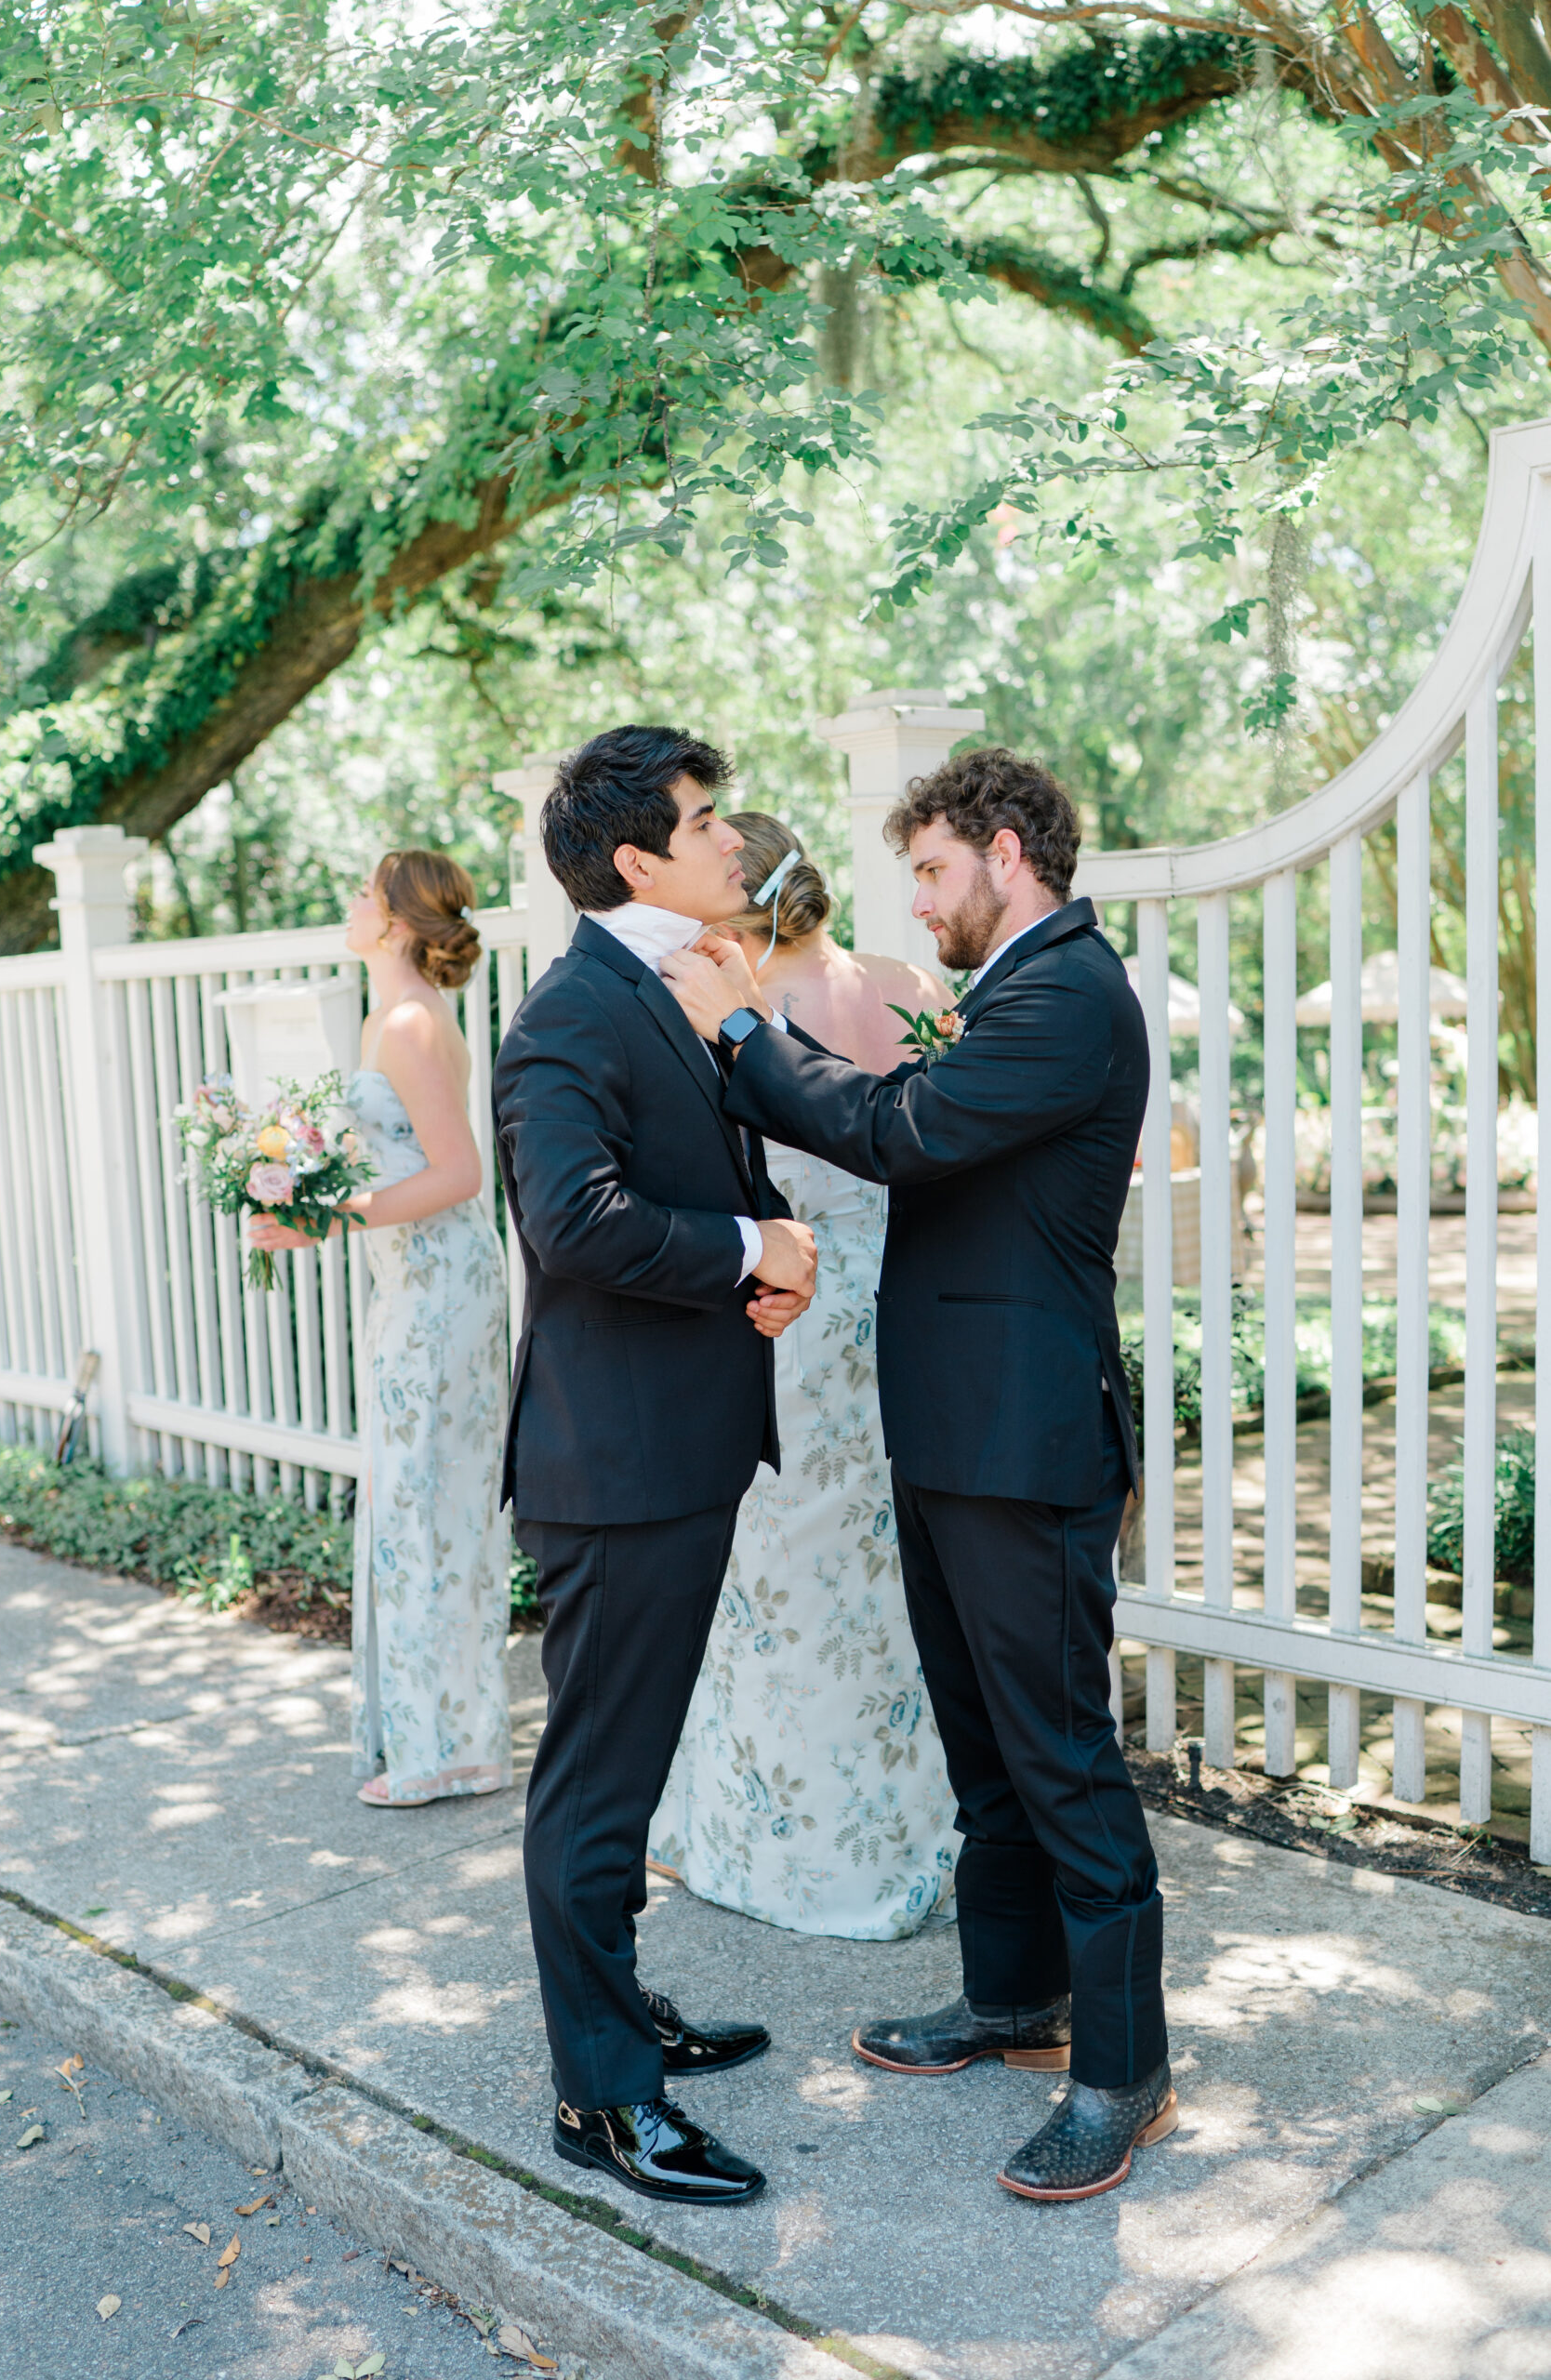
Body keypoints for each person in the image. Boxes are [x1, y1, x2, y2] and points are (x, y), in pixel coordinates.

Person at [660, 747, 1173, 2206]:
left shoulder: (1067, 991)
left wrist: (744, 1031)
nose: (921, 902)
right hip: (953, 1434)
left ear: (1006, 852)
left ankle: (1123, 2068)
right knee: (982, 1749)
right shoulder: (1014, 990)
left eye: (935, 871)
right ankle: (1012, 1999)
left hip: (1025, 1443)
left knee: (1061, 1755)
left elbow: (900, 1133)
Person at [492, 727, 818, 2209]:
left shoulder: (667, 985)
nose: (731, 840)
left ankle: (621, 2010)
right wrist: (750, 1247)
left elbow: (696, 1180)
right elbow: (575, 1224)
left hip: (675, 1451)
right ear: (635, 859)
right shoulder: (568, 1015)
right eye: (705, 823)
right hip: (612, 1469)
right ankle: (602, 2102)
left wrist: (761, 1262)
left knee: (626, 1771)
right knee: (594, 1788)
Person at [649, 813, 960, 1938]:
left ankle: (778, 1844)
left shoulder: (732, 1020)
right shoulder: (907, 980)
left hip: (786, 1312)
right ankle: (909, 1828)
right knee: (888, 1573)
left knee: (774, 1579)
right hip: (905, 1312)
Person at [250, 850, 510, 1810]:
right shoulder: (390, 1017)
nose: (350, 901)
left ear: (399, 921)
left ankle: (448, 1747)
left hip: (440, 1287)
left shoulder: (404, 1022)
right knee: (424, 1502)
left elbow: (456, 1174)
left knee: (425, 1504)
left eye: (364, 892)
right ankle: (450, 1735)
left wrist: (321, 1216)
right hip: (415, 1282)